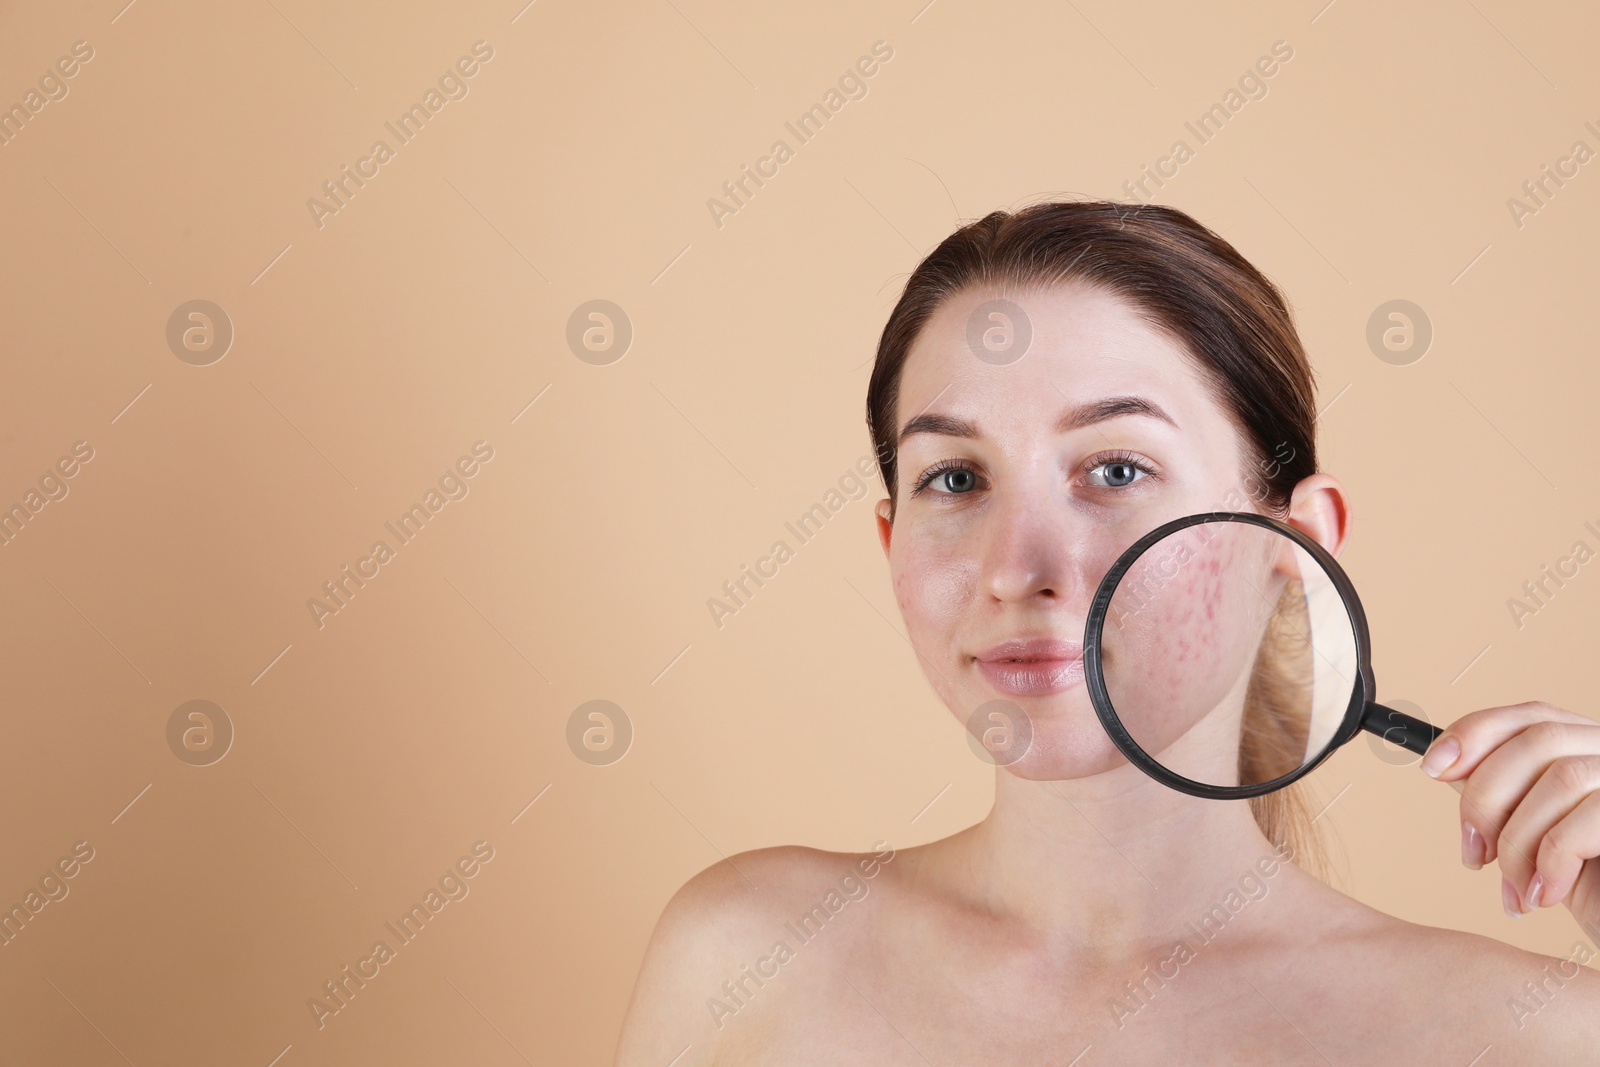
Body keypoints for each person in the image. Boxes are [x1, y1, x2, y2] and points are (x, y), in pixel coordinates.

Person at [614, 201, 1600, 1064]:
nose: (1015, 566)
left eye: (1116, 469)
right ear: (890, 539)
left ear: (1292, 541)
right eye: (954, 480)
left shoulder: (1538, 1033)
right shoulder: (745, 957)